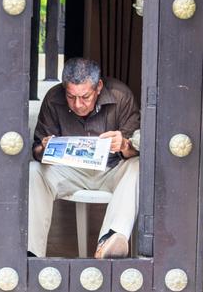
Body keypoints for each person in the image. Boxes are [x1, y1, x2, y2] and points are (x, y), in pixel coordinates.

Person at [28, 57, 139, 258]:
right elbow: (36, 151)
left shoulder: (121, 96)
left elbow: (139, 149)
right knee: (34, 172)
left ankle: (111, 239)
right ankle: (31, 254)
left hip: (112, 169)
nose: (78, 104)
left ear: (99, 87)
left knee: (138, 166)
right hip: (70, 171)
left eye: (85, 97)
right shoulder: (54, 98)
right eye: (71, 97)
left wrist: (124, 144)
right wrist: (44, 148)